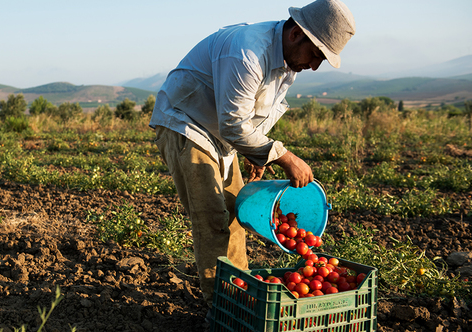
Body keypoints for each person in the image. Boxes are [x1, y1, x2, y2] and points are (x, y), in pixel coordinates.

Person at [149, 0, 355, 308]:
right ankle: (221, 305)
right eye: (315, 55)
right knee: (212, 219)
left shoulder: (287, 62)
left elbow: (259, 112)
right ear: (297, 34)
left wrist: (257, 153)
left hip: (219, 135)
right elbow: (233, 124)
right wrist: (284, 157)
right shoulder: (247, 52)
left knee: (235, 215)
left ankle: (240, 294)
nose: (314, 66)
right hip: (186, 124)